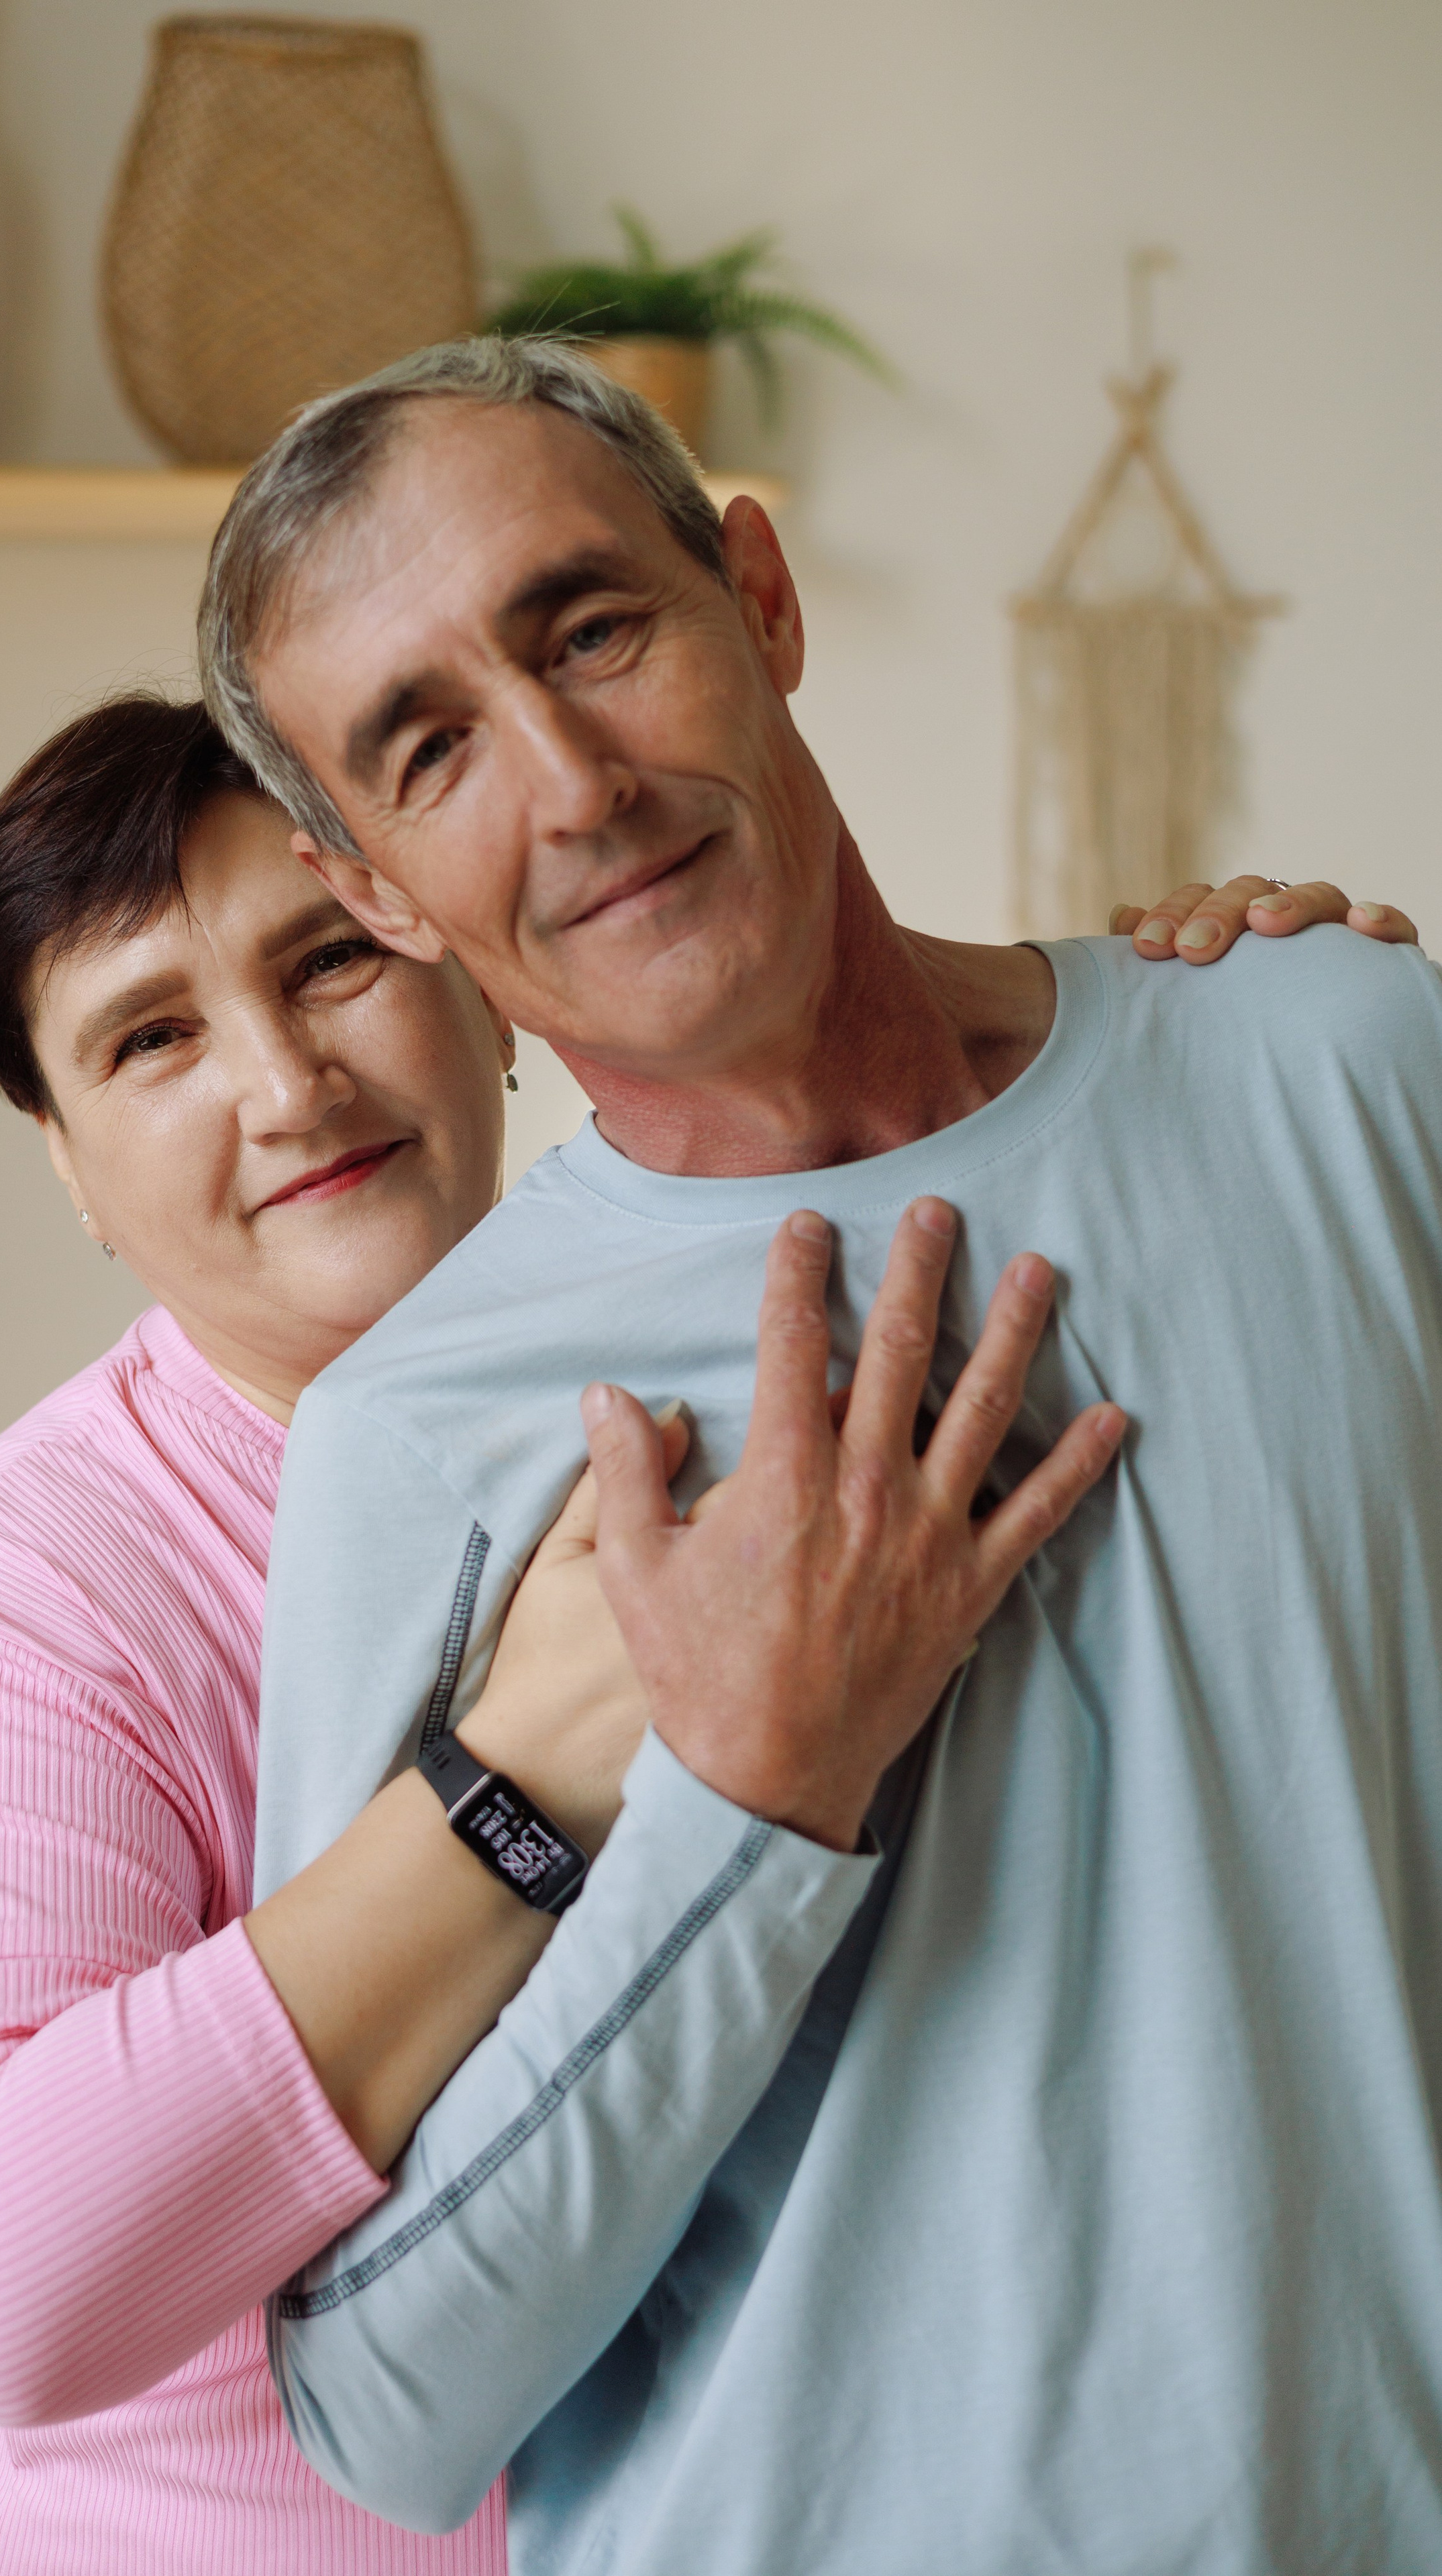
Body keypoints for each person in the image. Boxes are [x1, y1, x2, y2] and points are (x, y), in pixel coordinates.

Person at [197, 335, 1442, 2573]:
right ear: (369, 880)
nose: (571, 781)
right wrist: (759, 1804)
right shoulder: (424, 1438)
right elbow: (386, 2408)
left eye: (592, 628)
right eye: (431, 745)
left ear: (755, 599)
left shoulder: (1352, 1069)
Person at [0, 694, 1255, 2573]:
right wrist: (518, 1779)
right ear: (74, 1170)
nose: (283, 1084)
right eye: (151, 1038)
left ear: (487, 987)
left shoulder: (758, 1351)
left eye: (328, 959)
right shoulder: (28, 1595)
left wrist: (1227, 1018)